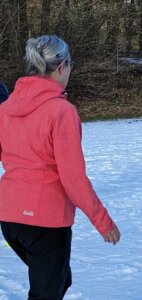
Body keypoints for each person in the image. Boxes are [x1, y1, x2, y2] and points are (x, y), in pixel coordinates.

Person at [0, 35, 120, 298]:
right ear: (62, 67)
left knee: (60, 280)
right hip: (45, 222)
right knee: (48, 291)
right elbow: (73, 177)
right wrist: (103, 222)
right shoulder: (61, 111)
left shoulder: (6, 108)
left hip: (10, 219)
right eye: (71, 66)